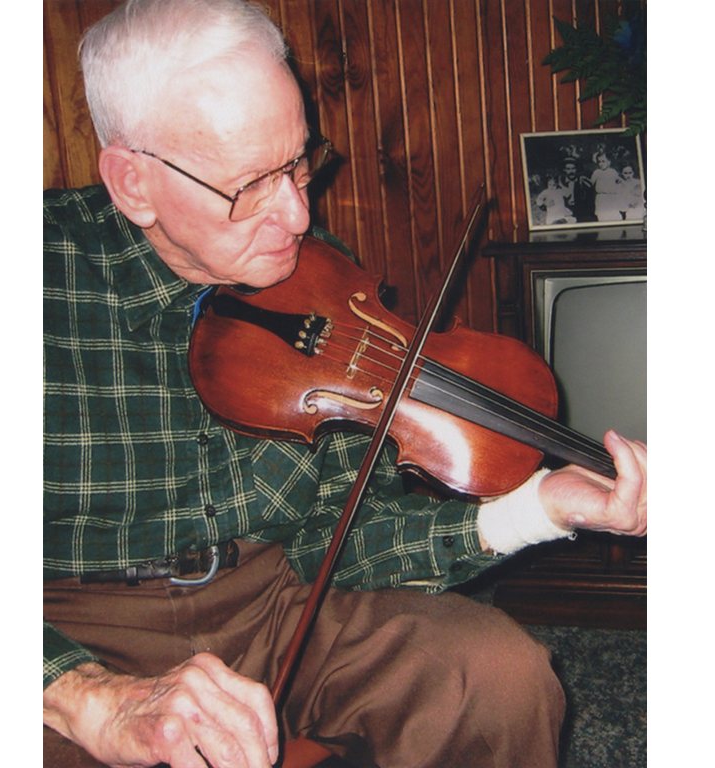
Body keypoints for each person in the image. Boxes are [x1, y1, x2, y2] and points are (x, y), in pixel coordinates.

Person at [43, 1, 647, 767]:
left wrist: (542, 505)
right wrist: (85, 693)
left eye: (299, 163)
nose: (297, 215)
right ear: (132, 183)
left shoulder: (318, 276)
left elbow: (344, 542)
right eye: (249, 185)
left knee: (494, 674)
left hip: (274, 601)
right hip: (65, 623)